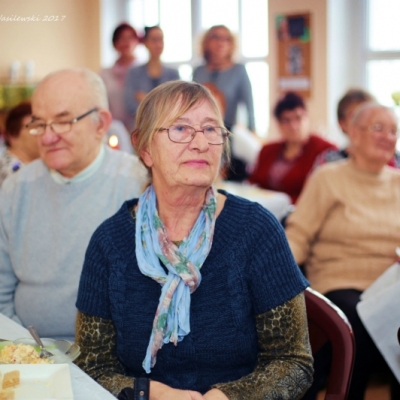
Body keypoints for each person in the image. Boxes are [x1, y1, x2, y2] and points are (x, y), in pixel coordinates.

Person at [75, 80, 313, 399]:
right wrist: (150, 393)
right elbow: (92, 365)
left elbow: (293, 362)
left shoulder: (256, 231)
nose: (200, 143)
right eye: (181, 129)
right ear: (145, 149)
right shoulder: (110, 242)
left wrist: (227, 397)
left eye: (211, 129)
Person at [0, 68, 147, 341]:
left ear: (101, 124)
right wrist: (26, 350)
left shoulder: (139, 185)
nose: (46, 137)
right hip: (29, 352)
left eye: (62, 121)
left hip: (115, 358)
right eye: (39, 124)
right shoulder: (15, 189)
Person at [285, 102, 400, 400]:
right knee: (358, 317)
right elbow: (298, 233)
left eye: (393, 130)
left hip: (390, 286)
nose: (387, 136)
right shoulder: (328, 178)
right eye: (378, 128)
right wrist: (274, 273)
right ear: (354, 133)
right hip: (340, 281)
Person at [248, 92, 337, 204]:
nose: (293, 126)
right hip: (266, 210)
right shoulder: (267, 150)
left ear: (307, 118)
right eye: (286, 120)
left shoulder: (325, 150)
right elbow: (253, 184)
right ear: (279, 124)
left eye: (298, 118)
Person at [193, 25, 256, 181]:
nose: (221, 42)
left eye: (226, 38)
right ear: (206, 42)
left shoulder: (239, 70)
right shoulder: (198, 71)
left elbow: (249, 104)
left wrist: (252, 130)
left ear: (232, 45)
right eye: (216, 37)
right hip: (200, 129)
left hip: (227, 131)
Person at [313, 88, 400, 169]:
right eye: (355, 116)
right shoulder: (329, 162)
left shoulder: (396, 163)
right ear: (342, 123)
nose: (364, 122)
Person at [124, 26, 180, 123]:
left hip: (168, 127)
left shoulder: (173, 74)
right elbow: (130, 105)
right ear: (146, 43)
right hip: (141, 127)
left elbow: (176, 105)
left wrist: (145, 99)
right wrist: (162, 104)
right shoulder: (134, 73)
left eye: (161, 40)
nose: (158, 44)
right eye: (154, 40)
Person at [101, 23, 140, 130]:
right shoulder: (105, 74)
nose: (126, 42)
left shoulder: (143, 72)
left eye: (130, 38)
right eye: (122, 38)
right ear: (115, 43)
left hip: (139, 128)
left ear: (137, 41)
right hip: (114, 129)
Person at [0, 101, 39, 186]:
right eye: (34, 127)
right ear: (13, 134)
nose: (42, 133)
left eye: (42, 126)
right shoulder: (16, 173)